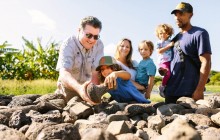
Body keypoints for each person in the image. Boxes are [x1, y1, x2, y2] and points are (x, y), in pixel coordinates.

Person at [164, 2, 212, 103]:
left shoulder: (199, 33)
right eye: (175, 15)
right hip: (171, 91)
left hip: (189, 92)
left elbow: (206, 62)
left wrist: (199, 90)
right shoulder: (176, 37)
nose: (177, 17)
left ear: (191, 15)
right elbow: (172, 62)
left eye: (181, 14)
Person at [55, 16, 104, 104]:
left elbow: (95, 74)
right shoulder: (68, 44)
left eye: (96, 37)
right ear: (79, 30)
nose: (92, 40)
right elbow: (64, 73)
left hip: (87, 90)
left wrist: (93, 94)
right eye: (88, 35)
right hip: (67, 90)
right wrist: (79, 89)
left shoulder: (99, 45)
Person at [86, 56, 151, 104]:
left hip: (137, 101)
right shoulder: (107, 82)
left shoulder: (120, 76)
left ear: (114, 67)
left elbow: (128, 75)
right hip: (123, 102)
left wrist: (116, 74)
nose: (105, 71)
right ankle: (97, 91)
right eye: (102, 69)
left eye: (108, 67)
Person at [155, 24, 174, 97]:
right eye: (160, 33)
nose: (162, 35)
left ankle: (166, 84)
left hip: (170, 61)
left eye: (164, 33)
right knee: (167, 72)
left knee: (170, 74)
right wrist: (169, 46)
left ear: (168, 33)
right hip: (163, 61)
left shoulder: (171, 41)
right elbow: (159, 51)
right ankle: (162, 86)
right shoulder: (159, 42)